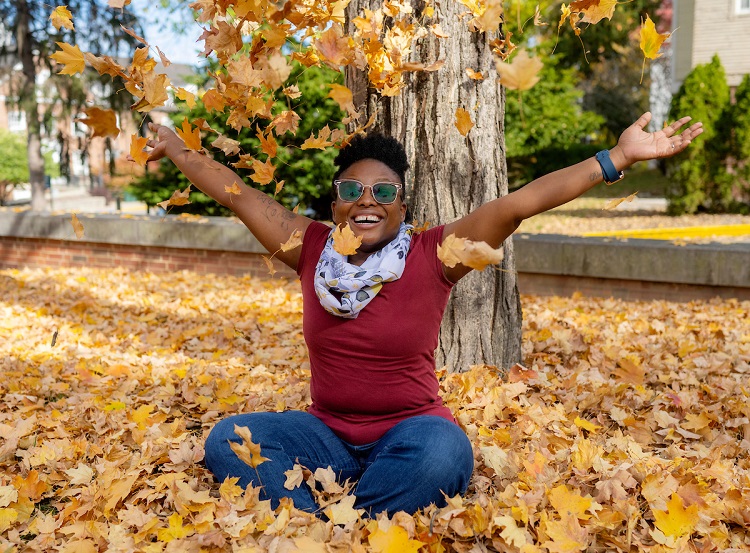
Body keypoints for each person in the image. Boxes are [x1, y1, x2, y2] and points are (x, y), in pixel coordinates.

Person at [141, 111, 702, 517]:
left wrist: (617, 158)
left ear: (402, 205)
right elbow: (237, 194)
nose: (368, 199)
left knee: (445, 453)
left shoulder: (435, 251)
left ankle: (348, 523)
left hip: (411, 434)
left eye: (383, 189)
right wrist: (172, 145)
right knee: (229, 438)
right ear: (334, 202)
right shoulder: (309, 246)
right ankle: (314, 526)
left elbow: (517, 204)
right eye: (352, 189)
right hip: (325, 436)